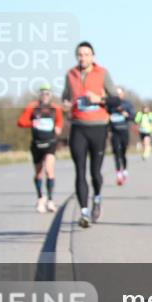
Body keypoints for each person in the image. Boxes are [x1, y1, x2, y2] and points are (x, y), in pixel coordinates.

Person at [61, 41, 119, 228]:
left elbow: (116, 99)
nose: (82, 58)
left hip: (98, 126)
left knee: (95, 172)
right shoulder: (71, 74)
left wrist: (99, 99)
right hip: (78, 126)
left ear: (92, 56)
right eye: (79, 54)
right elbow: (65, 97)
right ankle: (84, 212)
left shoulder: (102, 73)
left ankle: (97, 198)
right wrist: (66, 105)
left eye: (86, 54)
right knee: (79, 170)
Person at [16, 83, 63, 213]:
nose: (45, 96)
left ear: (51, 95)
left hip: (50, 143)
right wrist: (32, 122)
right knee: (38, 172)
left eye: (47, 93)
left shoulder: (55, 108)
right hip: (37, 144)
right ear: (39, 95)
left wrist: (59, 127)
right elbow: (20, 122)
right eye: (42, 93)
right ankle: (40, 197)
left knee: (49, 170)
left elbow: (59, 120)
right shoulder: (32, 107)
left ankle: (51, 200)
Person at [107, 87, 135, 186]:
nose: (118, 95)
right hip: (114, 131)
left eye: (120, 93)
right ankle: (118, 174)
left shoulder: (127, 104)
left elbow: (133, 116)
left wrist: (126, 114)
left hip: (124, 130)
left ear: (123, 94)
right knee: (116, 153)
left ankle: (125, 170)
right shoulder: (110, 104)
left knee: (123, 152)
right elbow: (105, 115)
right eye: (116, 93)